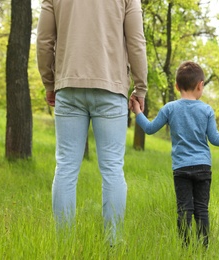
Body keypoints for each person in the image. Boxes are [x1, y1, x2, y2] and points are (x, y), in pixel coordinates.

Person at [36, 0, 147, 244]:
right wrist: (141, 87)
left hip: (68, 85)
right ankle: (113, 242)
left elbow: (44, 40)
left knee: (65, 168)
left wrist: (49, 82)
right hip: (111, 88)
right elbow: (136, 41)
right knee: (112, 170)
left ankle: (63, 244)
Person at [130, 61, 219, 248]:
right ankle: (203, 248)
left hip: (181, 168)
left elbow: (149, 129)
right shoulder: (206, 110)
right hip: (203, 167)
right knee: (201, 210)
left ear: (176, 86)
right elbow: (214, 138)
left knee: (184, 209)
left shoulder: (170, 108)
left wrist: (137, 111)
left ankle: (184, 248)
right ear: (200, 85)